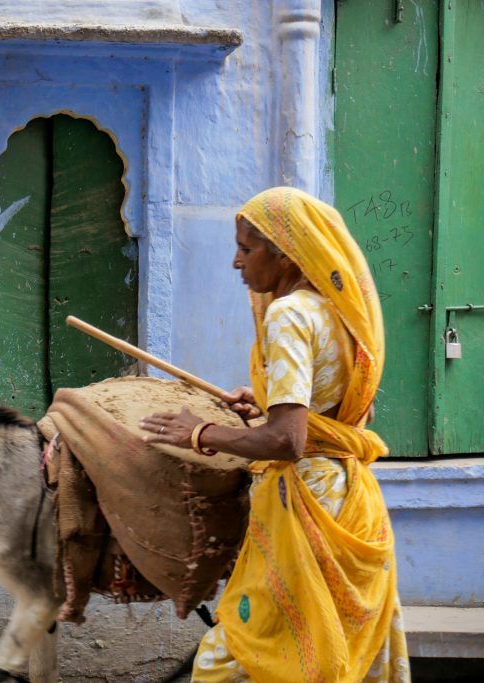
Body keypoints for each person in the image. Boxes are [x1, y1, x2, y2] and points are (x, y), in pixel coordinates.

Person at [139, 187, 409, 683]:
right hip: (348, 500)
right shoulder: (339, 312)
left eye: (246, 249)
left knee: (234, 658)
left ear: (284, 253)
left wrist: (200, 432)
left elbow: (288, 441)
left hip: (302, 508)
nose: (236, 263)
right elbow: (340, 414)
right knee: (334, 650)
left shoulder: (289, 316)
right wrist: (264, 402)